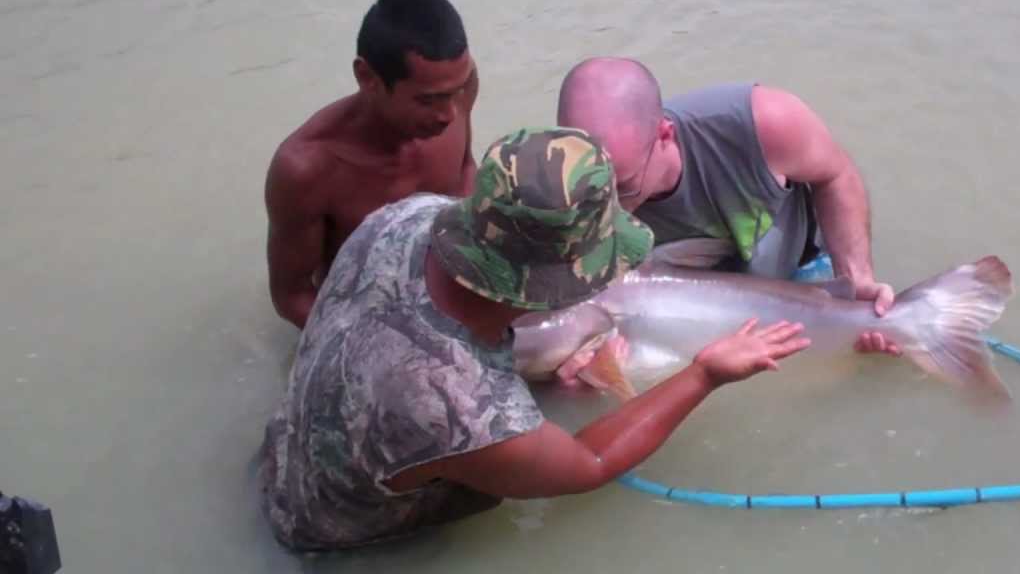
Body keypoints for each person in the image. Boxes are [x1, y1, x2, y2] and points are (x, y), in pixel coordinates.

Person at [257, 127, 810, 552]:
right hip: (340, 540)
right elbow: (590, 462)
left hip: (279, 455)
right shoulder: (459, 408)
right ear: (554, 284)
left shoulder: (403, 218)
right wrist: (704, 374)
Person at [556, 57, 900, 356]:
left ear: (665, 135)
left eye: (623, 186)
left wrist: (857, 281)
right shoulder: (554, 202)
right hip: (696, 308)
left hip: (806, 268)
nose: (605, 207)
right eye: (589, 190)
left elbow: (836, 175)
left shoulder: (764, 122)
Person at [264, 0, 480, 329]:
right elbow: (292, 297)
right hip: (364, 314)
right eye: (427, 100)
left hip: (450, 279)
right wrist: (380, 344)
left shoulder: (455, 85)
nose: (449, 114)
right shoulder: (307, 169)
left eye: (457, 90)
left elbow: (466, 168)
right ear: (367, 77)